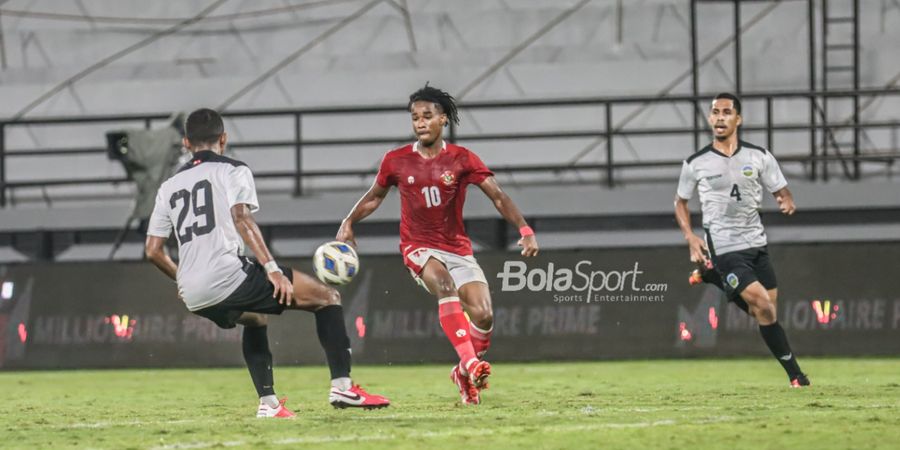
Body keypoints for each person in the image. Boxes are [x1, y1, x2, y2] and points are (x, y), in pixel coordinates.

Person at [145, 108, 390, 417]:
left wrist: (181, 279)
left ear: (185, 143)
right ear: (223, 138)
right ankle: (343, 386)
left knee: (255, 319)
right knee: (328, 298)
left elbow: (153, 250)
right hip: (225, 276)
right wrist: (273, 270)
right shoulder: (233, 170)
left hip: (193, 291)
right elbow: (242, 218)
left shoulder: (168, 187)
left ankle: (268, 404)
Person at [336, 85, 539, 405]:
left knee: (484, 314)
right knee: (444, 285)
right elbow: (375, 196)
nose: (420, 122)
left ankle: (461, 372)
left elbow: (498, 196)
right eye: (415, 117)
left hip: (457, 248)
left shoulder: (462, 159)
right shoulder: (396, 160)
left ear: (443, 119)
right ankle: (471, 364)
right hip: (418, 247)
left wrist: (524, 229)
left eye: (427, 116)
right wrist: (348, 222)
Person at [674, 93, 810, 387]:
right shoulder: (696, 163)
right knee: (762, 304)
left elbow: (781, 191)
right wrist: (690, 236)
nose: (720, 117)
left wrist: (785, 201)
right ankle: (797, 376)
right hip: (724, 246)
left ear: (738, 119)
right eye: (715, 112)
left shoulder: (759, 156)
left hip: (756, 243)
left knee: (766, 311)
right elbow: (680, 203)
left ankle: (712, 276)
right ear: (710, 119)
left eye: (726, 112)